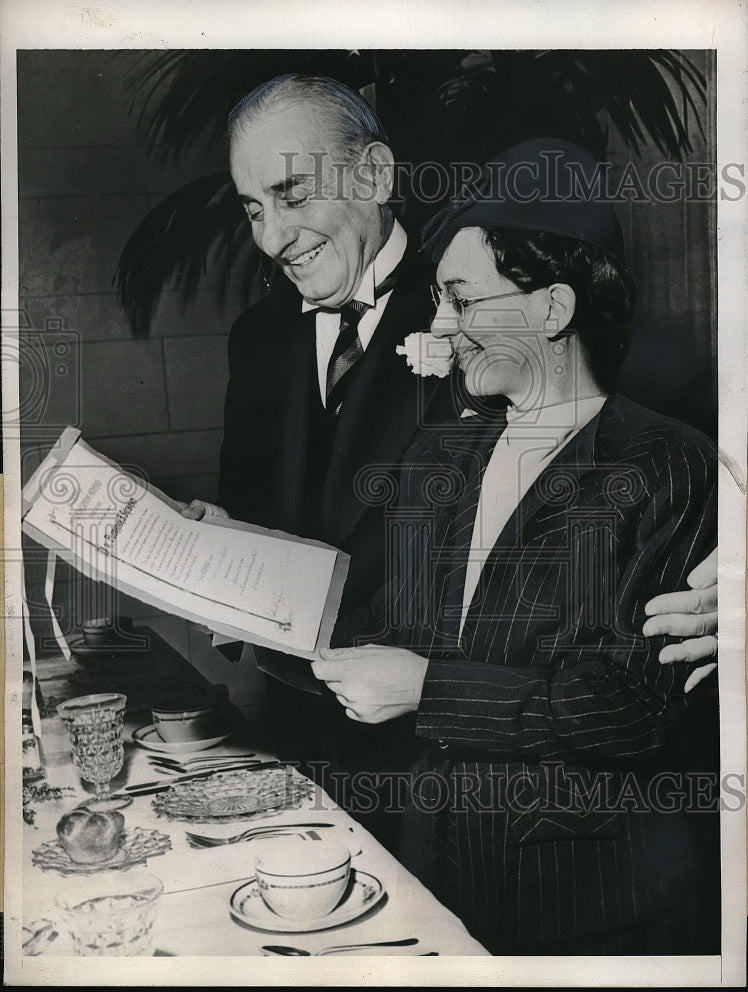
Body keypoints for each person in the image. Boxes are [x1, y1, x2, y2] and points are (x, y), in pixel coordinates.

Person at [182, 75, 717, 847]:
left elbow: (645, 454)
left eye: (292, 194)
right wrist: (221, 558)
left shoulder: (504, 284)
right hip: (331, 747)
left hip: (535, 818)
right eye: (253, 209)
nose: (270, 239)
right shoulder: (262, 339)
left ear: (372, 175)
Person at [312, 139, 719, 954]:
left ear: (552, 310)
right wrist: (232, 576)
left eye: (462, 301)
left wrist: (428, 690)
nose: (441, 328)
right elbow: (385, 629)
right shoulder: (442, 456)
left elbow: (630, 709)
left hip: (591, 907)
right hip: (438, 877)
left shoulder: (663, 464)